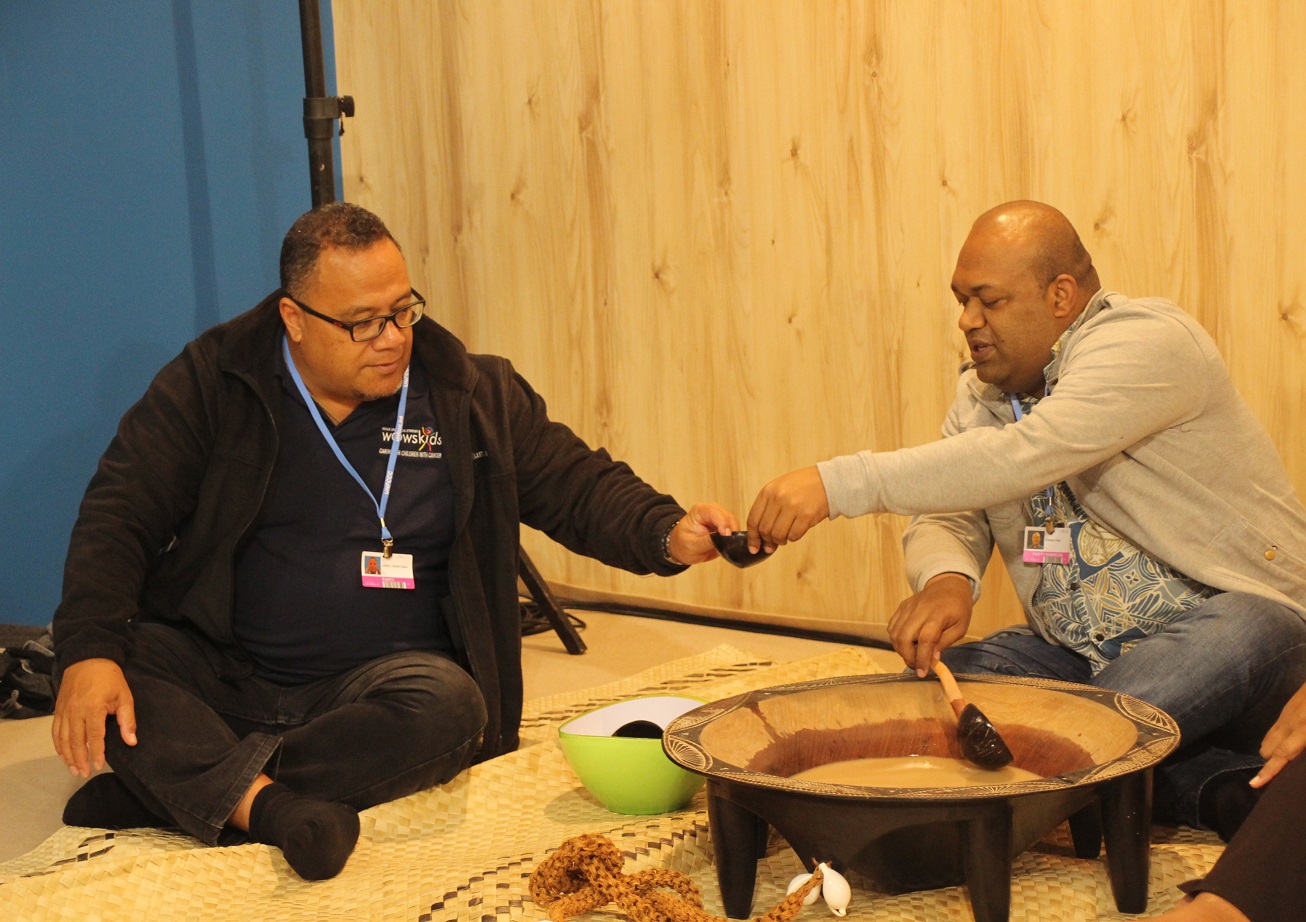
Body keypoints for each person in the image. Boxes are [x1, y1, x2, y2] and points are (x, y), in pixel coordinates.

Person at [51, 202, 738, 881]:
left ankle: (188, 787)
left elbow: (575, 482)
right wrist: (90, 653)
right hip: (227, 671)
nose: (393, 337)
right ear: (294, 319)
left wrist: (665, 531)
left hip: (378, 691)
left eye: (403, 310)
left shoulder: (466, 392)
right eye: (363, 323)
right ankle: (262, 807)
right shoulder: (213, 381)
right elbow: (120, 512)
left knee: (452, 708)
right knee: (100, 662)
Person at [746, 200, 1306, 841]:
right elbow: (953, 508)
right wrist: (947, 579)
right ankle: (1192, 788)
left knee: (1248, 624)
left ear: (1062, 294)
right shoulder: (983, 392)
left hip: (1241, 645)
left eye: (989, 301)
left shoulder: (1147, 342)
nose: (967, 321)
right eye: (961, 300)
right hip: (1079, 658)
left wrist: (838, 482)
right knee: (928, 689)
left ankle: (1027, 785)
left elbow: (1023, 455)